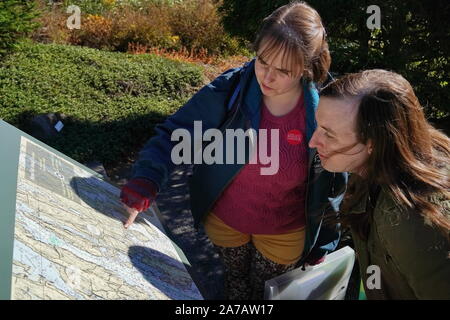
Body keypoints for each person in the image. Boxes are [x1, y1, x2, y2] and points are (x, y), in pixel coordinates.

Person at [120, 1, 347, 300]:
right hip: (225, 224)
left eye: (283, 71)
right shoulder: (231, 90)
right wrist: (147, 178)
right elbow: (177, 134)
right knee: (235, 289)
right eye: (262, 62)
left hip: (285, 234)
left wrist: (325, 241)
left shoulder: (326, 110)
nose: (267, 77)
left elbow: (333, 181)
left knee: (266, 295)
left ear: (306, 67)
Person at [309, 69, 450, 299]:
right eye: (318, 126)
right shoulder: (384, 158)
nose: (313, 141)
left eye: (329, 134)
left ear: (374, 143)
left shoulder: (411, 221)